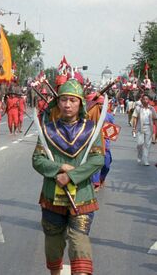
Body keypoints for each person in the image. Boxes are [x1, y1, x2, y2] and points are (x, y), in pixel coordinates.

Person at [32, 79, 104, 275]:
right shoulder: (47, 129)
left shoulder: (92, 130)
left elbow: (98, 160)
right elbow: (37, 159)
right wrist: (59, 168)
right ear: (58, 102)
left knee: (79, 241)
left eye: (73, 100)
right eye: (63, 100)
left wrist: (71, 176)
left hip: (81, 196)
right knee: (53, 242)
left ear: (80, 103)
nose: (67, 104)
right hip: (51, 196)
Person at [131, 94, 157, 166]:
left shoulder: (151, 109)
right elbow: (135, 118)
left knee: (147, 144)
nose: (145, 100)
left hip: (149, 128)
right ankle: (139, 155)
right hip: (140, 128)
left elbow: (155, 119)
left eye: (147, 99)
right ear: (142, 100)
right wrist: (134, 128)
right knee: (140, 143)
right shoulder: (138, 108)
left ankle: (146, 159)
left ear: (148, 100)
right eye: (144, 99)